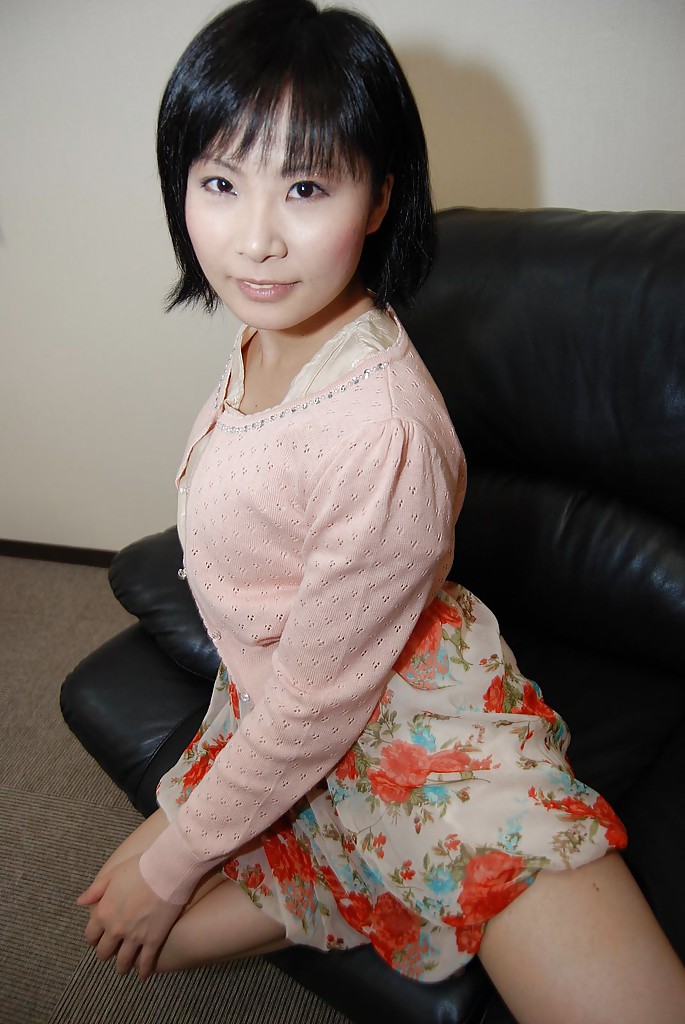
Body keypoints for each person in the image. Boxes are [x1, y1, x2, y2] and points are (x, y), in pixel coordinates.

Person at [77, 2, 685, 1021]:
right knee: (119, 921)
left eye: (306, 186)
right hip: (290, 692)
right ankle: (351, 869)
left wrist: (176, 854)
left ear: (379, 197)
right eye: (220, 182)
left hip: (407, 722)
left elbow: (320, 703)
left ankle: (371, 865)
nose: (256, 239)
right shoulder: (278, 326)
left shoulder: (382, 430)